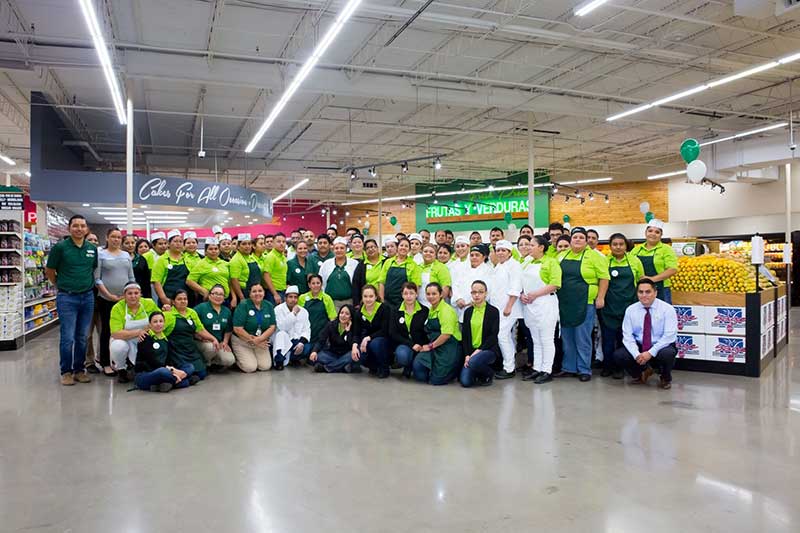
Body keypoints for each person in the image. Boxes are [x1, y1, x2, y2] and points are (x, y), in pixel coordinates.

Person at [46, 214, 97, 386]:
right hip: (67, 297)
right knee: (67, 337)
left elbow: (92, 268)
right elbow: (50, 270)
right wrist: (59, 284)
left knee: (82, 336)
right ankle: (66, 372)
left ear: (87, 229)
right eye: (76, 226)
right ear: (69, 228)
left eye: (83, 226)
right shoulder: (60, 248)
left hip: (88, 296)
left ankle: (79, 370)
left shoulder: (91, 248)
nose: (79, 229)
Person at [556, 227, 610, 382]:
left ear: (586, 241)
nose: (578, 239)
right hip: (565, 302)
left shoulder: (594, 256)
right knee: (567, 337)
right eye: (575, 237)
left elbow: (604, 278)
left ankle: (584, 369)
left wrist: (601, 297)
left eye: (581, 237)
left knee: (583, 337)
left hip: (585, 302)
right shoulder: (561, 256)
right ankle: (568, 367)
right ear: (570, 239)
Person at [613, 278, 678, 390]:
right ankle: (642, 372)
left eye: (648, 292)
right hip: (640, 344)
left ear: (655, 293)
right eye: (640, 292)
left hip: (660, 345)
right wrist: (636, 354)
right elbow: (627, 336)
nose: (644, 295)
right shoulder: (631, 310)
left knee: (667, 354)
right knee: (619, 355)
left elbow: (669, 336)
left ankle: (665, 377)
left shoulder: (667, 309)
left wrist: (651, 352)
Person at [600, 233, 645, 379]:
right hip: (609, 306)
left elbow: (641, 281)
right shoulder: (604, 261)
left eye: (621, 244)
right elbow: (601, 282)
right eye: (615, 244)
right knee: (607, 339)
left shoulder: (634, 261)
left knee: (624, 339)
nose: (618, 247)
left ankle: (621, 368)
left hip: (629, 306)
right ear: (610, 246)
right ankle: (607, 366)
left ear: (626, 246)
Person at [520, 236, 562, 384]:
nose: (528, 247)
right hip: (530, 305)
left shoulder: (551, 262)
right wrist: (522, 295)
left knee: (546, 339)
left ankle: (547, 370)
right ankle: (537, 368)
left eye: (532, 245)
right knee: (535, 339)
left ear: (541, 247)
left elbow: (555, 284)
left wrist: (535, 294)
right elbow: (520, 283)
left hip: (545, 303)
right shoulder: (527, 262)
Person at [94, 228, 135, 376]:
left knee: (127, 329)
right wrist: (110, 295)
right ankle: (105, 363)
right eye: (113, 237)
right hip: (106, 299)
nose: (116, 240)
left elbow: (131, 277)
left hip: (125, 300)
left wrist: (131, 294)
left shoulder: (126, 255)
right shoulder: (101, 255)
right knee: (107, 330)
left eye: (118, 237)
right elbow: (97, 278)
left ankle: (124, 361)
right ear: (107, 238)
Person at [134, 311, 198, 392]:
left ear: (164, 324)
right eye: (155, 322)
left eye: (161, 321)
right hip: (147, 374)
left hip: (167, 370)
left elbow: (169, 360)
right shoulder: (145, 338)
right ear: (150, 325)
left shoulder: (166, 339)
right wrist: (173, 371)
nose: (158, 324)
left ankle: (161, 385)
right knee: (162, 372)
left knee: (189, 366)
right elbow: (151, 362)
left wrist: (174, 369)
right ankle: (184, 381)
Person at [108, 282, 160, 383]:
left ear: (140, 294)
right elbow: (116, 333)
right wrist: (139, 332)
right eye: (130, 293)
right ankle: (121, 369)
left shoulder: (149, 303)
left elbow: (159, 319)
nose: (133, 296)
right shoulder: (117, 308)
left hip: (145, 338)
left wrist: (167, 310)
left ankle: (144, 367)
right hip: (124, 339)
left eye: (136, 293)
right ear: (124, 295)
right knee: (118, 346)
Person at [412, 282, 461, 385]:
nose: (431, 297)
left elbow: (446, 335)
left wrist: (430, 346)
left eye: (434, 294)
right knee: (418, 367)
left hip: (449, 347)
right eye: (428, 294)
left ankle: (455, 370)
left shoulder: (446, 311)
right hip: (435, 346)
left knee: (436, 381)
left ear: (441, 294)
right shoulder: (431, 309)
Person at [163, 290, 218, 381]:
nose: (183, 301)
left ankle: (184, 378)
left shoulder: (192, 312)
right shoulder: (168, 315)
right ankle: (183, 378)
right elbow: (158, 330)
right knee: (187, 369)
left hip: (190, 348)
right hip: (175, 350)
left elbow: (200, 329)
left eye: (185, 299)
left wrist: (213, 338)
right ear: (173, 301)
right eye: (179, 299)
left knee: (202, 373)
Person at [489, 240, 523, 380]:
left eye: (504, 250)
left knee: (502, 335)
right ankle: (507, 364)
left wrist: (509, 306)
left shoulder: (514, 265)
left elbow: (516, 287)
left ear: (510, 252)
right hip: (498, 308)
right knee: (504, 337)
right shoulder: (498, 266)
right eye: (498, 250)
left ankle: (509, 368)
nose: (501, 253)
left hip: (509, 308)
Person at [459, 281, 501, 387]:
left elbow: (493, 336)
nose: (477, 295)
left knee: (473, 362)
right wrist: (467, 355)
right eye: (474, 292)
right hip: (471, 352)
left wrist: (477, 352)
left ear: (486, 293)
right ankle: (478, 371)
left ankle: (489, 373)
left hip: (488, 350)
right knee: (465, 382)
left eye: (480, 292)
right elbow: (465, 336)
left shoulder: (493, 311)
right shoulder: (468, 312)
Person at [232, 283, 277, 372]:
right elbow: (237, 328)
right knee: (250, 368)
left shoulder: (269, 305)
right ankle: (237, 359)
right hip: (243, 340)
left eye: (260, 291)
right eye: (254, 291)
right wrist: (254, 340)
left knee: (265, 366)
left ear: (264, 293)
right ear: (250, 294)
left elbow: (272, 326)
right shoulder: (243, 305)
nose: (257, 294)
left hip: (260, 340)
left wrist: (259, 339)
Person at [632, 219, 678, 304]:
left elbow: (672, 269)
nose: (653, 234)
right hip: (641, 290)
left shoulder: (666, 249)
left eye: (657, 232)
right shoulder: (636, 250)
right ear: (645, 232)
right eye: (650, 231)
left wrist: (652, 279)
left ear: (661, 235)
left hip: (661, 289)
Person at [390, 282, 429, 378]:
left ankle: (415, 365)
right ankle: (407, 366)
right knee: (403, 356)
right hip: (405, 344)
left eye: (411, 293)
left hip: (421, 346)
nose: (409, 296)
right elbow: (393, 333)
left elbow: (426, 332)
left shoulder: (425, 311)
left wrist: (422, 346)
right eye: (406, 293)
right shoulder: (395, 310)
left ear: (416, 294)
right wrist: (411, 345)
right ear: (402, 295)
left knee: (421, 377)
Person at [309, 304, 362, 373]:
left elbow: (352, 344)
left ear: (351, 317)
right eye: (341, 313)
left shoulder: (354, 327)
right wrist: (314, 351)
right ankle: (343, 367)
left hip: (347, 354)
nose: (343, 315)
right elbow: (321, 340)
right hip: (332, 354)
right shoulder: (331, 325)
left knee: (353, 356)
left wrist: (348, 332)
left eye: (347, 314)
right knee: (318, 357)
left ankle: (326, 368)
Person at [194, 284, 235, 371]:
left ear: (224, 298)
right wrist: (199, 336)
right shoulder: (201, 308)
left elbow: (228, 330)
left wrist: (225, 342)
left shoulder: (226, 311)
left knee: (229, 360)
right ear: (209, 295)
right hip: (201, 342)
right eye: (215, 293)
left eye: (221, 294)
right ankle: (202, 364)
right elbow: (191, 324)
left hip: (218, 343)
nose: (218, 296)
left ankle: (212, 363)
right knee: (211, 348)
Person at [319, 237, 365, 309]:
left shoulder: (354, 264)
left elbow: (359, 284)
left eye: (342, 248)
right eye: (336, 248)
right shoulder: (326, 264)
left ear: (346, 249)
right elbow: (321, 283)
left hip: (350, 302)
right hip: (331, 302)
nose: (339, 250)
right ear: (333, 249)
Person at [450, 244, 493, 323]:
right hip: (460, 307)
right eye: (472, 255)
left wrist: (471, 302)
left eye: (477, 255)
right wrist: (458, 299)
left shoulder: (488, 271)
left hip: (477, 307)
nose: (474, 257)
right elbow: (455, 285)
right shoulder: (462, 269)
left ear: (483, 257)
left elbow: (488, 290)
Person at [355, 284, 390, 378]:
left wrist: (368, 338)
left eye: (371, 296)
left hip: (382, 340)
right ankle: (373, 365)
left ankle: (384, 368)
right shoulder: (359, 312)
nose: (368, 299)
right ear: (362, 297)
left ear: (376, 297)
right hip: (366, 341)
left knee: (375, 344)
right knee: (358, 354)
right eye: (365, 296)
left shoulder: (384, 308)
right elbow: (356, 332)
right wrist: (354, 345)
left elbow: (385, 330)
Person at [273, 285, 312, 369]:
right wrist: (293, 314)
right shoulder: (278, 309)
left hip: (297, 341)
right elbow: (282, 327)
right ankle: (279, 360)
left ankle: (291, 358)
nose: (293, 300)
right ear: (285, 298)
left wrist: (301, 342)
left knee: (307, 348)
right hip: (283, 341)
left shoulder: (304, 311)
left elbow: (307, 329)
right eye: (290, 297)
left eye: (295, 297)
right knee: (281, 334)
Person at [379, 237, 422, 309]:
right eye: (401, 245)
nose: (403, 248)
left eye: (406, 246)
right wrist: (382, 300)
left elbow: (416, 286)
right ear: (397, 247)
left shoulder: (413, 265)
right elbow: (381, 282)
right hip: (387, 302)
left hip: (404, 303)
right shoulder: (388, 262)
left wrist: (411, 303)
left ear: (409, 249)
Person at [186, 237, 231, 303]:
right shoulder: (201, 264)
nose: (213, 251)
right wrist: (203, 291)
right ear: (205, 251)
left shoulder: (225, 263)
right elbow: (189, 281)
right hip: (208, 300)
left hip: (225, 299)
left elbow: (230, 281)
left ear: (219, 250)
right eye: (210, 249)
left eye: (216, 249)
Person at [299, 274, 337, 348]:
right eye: (313, 283)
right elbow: (298, 318)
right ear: (309, 285)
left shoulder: (327, 298)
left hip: (322, 335)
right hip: (305, 334)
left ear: (321, 284)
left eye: (318, 283)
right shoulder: (302, 298)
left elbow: (332, 318)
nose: (315, 285)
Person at [152, 229, 189, 306]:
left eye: (180, 241)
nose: (178, 244)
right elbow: (156, 282)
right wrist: (164, 299)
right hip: (168, 299)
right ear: (169, 244)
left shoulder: (187, 259)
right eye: (175, 241)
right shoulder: (161, 260)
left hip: (185, 299)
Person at [229, 233, 261, 307]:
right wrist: (241, 297)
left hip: (255, 292)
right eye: (244, 244)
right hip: (244, 292)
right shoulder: (236, 260)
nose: (247, 246)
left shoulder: (251, 257)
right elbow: (234, 280)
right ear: (238, 247)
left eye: (249, 244)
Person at [262, 233, 288, 305]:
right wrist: (275, 294)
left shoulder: (283, 257)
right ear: (273, 243)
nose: (281, 244)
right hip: (273, 292)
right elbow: (266, 276)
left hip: (282, 290)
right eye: (279, 241)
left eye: (283, 242)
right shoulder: (271, 257)